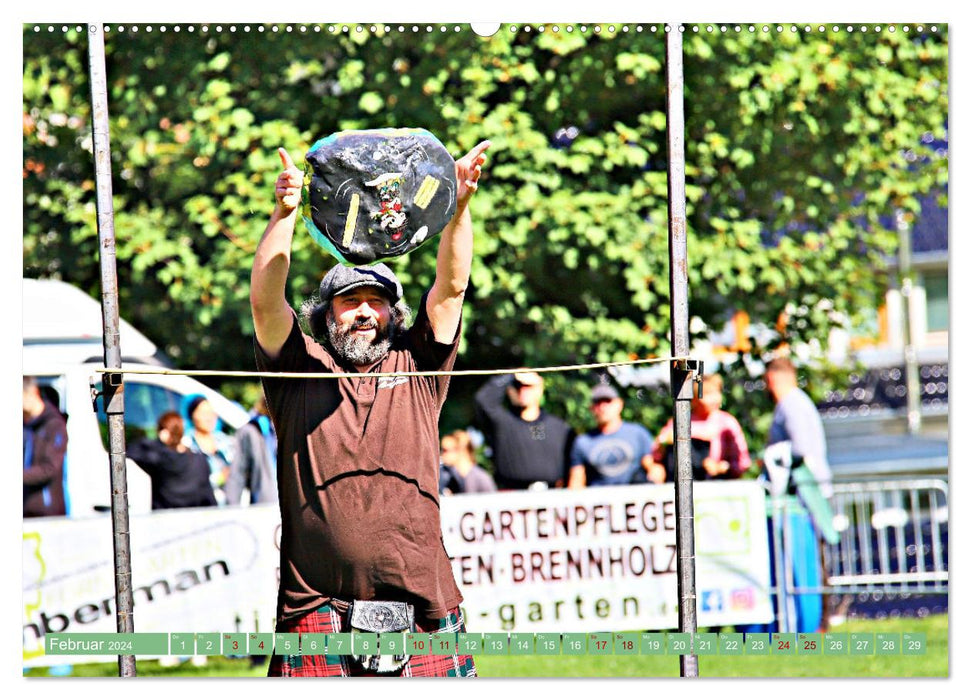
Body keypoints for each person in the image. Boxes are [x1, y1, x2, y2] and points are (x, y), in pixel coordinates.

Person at [252, 140, 489, 677]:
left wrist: (458, 206)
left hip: (424, 608)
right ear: (326, 314)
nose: (364, 312)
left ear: (393, 313)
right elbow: (267, 301)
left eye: (376, 301)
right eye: (349, 301)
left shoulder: (419, 367)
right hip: (315, 612)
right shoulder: (299, 370)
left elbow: (450, 289)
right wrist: (285, 213)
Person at [473, 372, 574, 490]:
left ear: (540, 388)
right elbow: (483, 400)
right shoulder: (503, 423)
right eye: (517, 386)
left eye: (528, 386)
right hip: (512, 497)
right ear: (510, 390)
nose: (522, 391)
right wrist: (511, 375)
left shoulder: (558, 427)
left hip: (552, 497)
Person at [649, 373, 752, 483]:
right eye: (707, 394)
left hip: (717, 485)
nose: (713, 399)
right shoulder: (680, 421)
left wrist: (721, 467)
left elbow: (743, 462)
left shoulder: (727, 423)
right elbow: (656, 452)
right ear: (694, 399)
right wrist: (656, 465)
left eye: (716, 392)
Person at [567, 383, 655, 488]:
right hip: (599, 501)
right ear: (591, 408)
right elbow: (576, 482)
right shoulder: (583, 441)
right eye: (597, 402)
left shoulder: (638, 433)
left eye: (607, 401)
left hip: (633, 499)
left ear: (619, 404)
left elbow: (652, 468)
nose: (602, 407)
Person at [127, 411, 218, 510]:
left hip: (164, 519)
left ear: (163, 432)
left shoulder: (158, 459)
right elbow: (208, 496)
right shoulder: (199, 460)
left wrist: (159, 442)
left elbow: (132, 451)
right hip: (194, 519)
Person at [23, 376, 68, 518]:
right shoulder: (25, 426)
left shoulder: (54, 424)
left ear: (32, 392)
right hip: (25, 509)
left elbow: (49, 468)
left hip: (47, 512)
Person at [225, 395, 278, 506]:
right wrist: (231, 509)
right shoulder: (250, 431)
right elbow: (237, 474)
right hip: (264, 504)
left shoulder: (288, 429)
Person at [182, 394, 234, 505]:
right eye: (204, 413)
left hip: (230, 505)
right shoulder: (187, 445)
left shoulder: (223, 441)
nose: (209, 418)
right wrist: (221, 477)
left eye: (212, 413)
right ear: (192, 416)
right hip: (203, 506)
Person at [439, 430, 497, 494]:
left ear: (461, 450)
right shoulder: (453, 478)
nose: (441, 454)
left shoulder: (480, 479)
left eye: (445, 450)